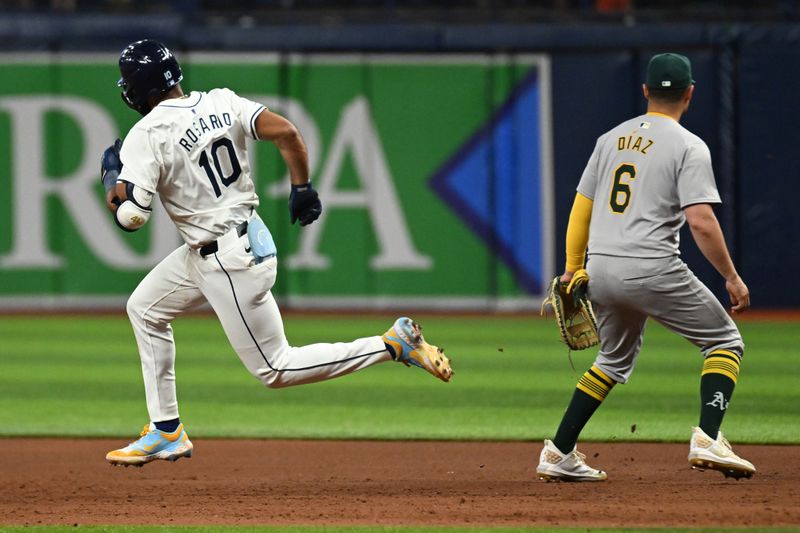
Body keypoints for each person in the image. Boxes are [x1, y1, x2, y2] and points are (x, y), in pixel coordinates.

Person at [101, 39, 452, 467]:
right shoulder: (220, 101)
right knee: (144, 308)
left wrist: (111, 179)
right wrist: (301, 187)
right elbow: (287, 132)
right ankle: (166, 431)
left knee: (276, 369)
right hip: (239, 241)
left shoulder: (147, 133)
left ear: (138, 88)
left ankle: (391, 345)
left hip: (225, 260)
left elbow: (133, 218)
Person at [536, 53, 754, 481]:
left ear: (645, 91)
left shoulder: (610, 139)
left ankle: (559, 451)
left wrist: (570, 268)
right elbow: (701, 221)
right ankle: (708, 436)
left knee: (611, 362)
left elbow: (581, 209)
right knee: (725, 342)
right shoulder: (689, 145)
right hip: (652, 266)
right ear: (690, 93)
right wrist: (731, 276)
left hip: (599, 270)